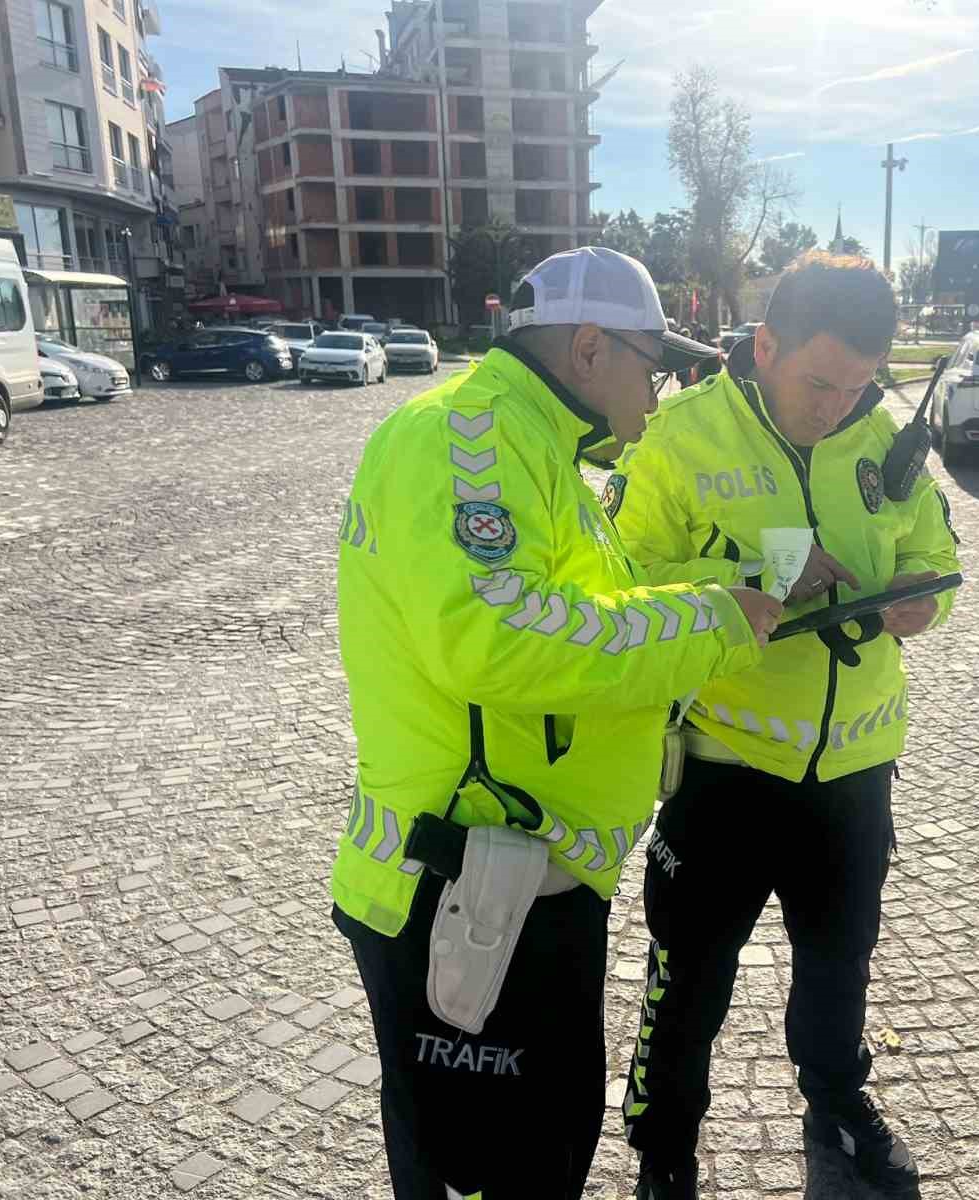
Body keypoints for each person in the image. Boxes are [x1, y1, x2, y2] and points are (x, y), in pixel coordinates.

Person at [329, 245, 784, 1200]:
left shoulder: (538, 446)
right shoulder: (470, 436)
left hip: (524, 877)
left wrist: (723, 592)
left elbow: (581, 603)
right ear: (588, 350)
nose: (658, 397)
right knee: (496, 1169)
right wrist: (707, 621)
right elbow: (495, 634)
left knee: (542, 1150)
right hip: (469, 887)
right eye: (651, 367)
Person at [605, 252, 962, 1199]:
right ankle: (663, 1150)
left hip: (855, 771)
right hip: (726, 767)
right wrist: (766, 573)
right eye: (818, 381)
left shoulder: (882, 429)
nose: (837, 406)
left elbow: (934, 551)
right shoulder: (679, 434)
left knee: (840, 962)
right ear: (764, 345)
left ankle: (837, 1100)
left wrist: (922, 602)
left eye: (857, 386)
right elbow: (622, 587)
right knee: (689, 979)